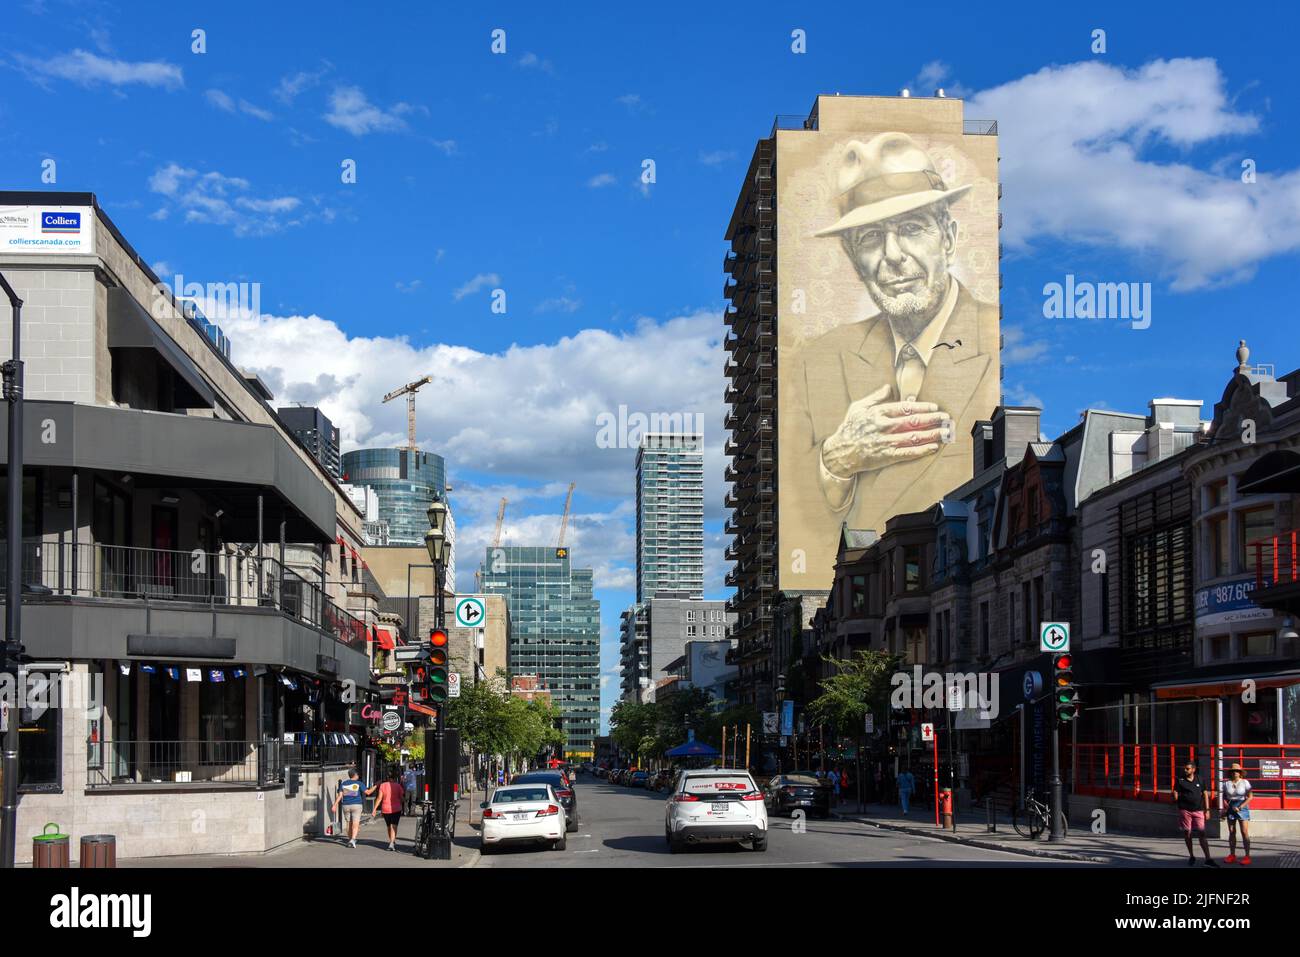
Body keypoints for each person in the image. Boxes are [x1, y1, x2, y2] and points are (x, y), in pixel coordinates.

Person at [787, 131, 1001, 553]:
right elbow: (802, 519)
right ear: (852, 258)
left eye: (910, 228)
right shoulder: (817, 361)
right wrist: (835, 461)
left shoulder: (992, 339)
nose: (893, 254)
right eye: (869, 237)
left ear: (949, 238)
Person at [1173, 761, 1217, 867]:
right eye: (1185, 768)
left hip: (1198, 810)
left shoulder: (1200, 779)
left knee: (1202, 833)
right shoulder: (1180, 780)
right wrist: (1176, 798)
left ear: (1193, 769)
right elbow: (1175, 791)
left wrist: (1207, 809)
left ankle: (1208, 858)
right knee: (1187, 832)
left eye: (1187, 769)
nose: (1185, 770)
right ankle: (1192, 856)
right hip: (1185, 810)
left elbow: (1205, 794)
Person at [1221, 763, 1252, 865]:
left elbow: (1251, 796)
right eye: (1233, 771)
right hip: (1230, 808)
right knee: (1231, 831)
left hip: (1242, 807)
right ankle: (1232, 855)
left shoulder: (1245, 783)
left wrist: (1240, 807)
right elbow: (1224, 797)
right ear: (1230, 773)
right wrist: (1225, 808)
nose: (1235, 773)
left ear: (1240, 773)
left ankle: (1247, 856)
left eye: (1237, 771)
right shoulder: (1226, 784)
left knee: (1244, 832)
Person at [331, 767, 367, 849]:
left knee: (348, 823)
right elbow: (367, 792)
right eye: (358, 774)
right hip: (356, 805)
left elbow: (340, 796)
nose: (358, 776)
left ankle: (350, 839)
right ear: (355, 775)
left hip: (346, 805)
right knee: (355, 823)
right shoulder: (358, 783)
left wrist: (335, 805)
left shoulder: (343, 784)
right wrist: (376, 786)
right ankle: (353, 839)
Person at [371, 767, 406, 851]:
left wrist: (374, 809)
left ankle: (391, 841)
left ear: (387, 778)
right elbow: (401, 798)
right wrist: (404, 801)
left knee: (388, 826)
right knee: (394, 826)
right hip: (396, 809)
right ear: (395, 778)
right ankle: (391, 842)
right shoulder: (398, 786)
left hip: (385, 808)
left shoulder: (382, 786)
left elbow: (379, 798)